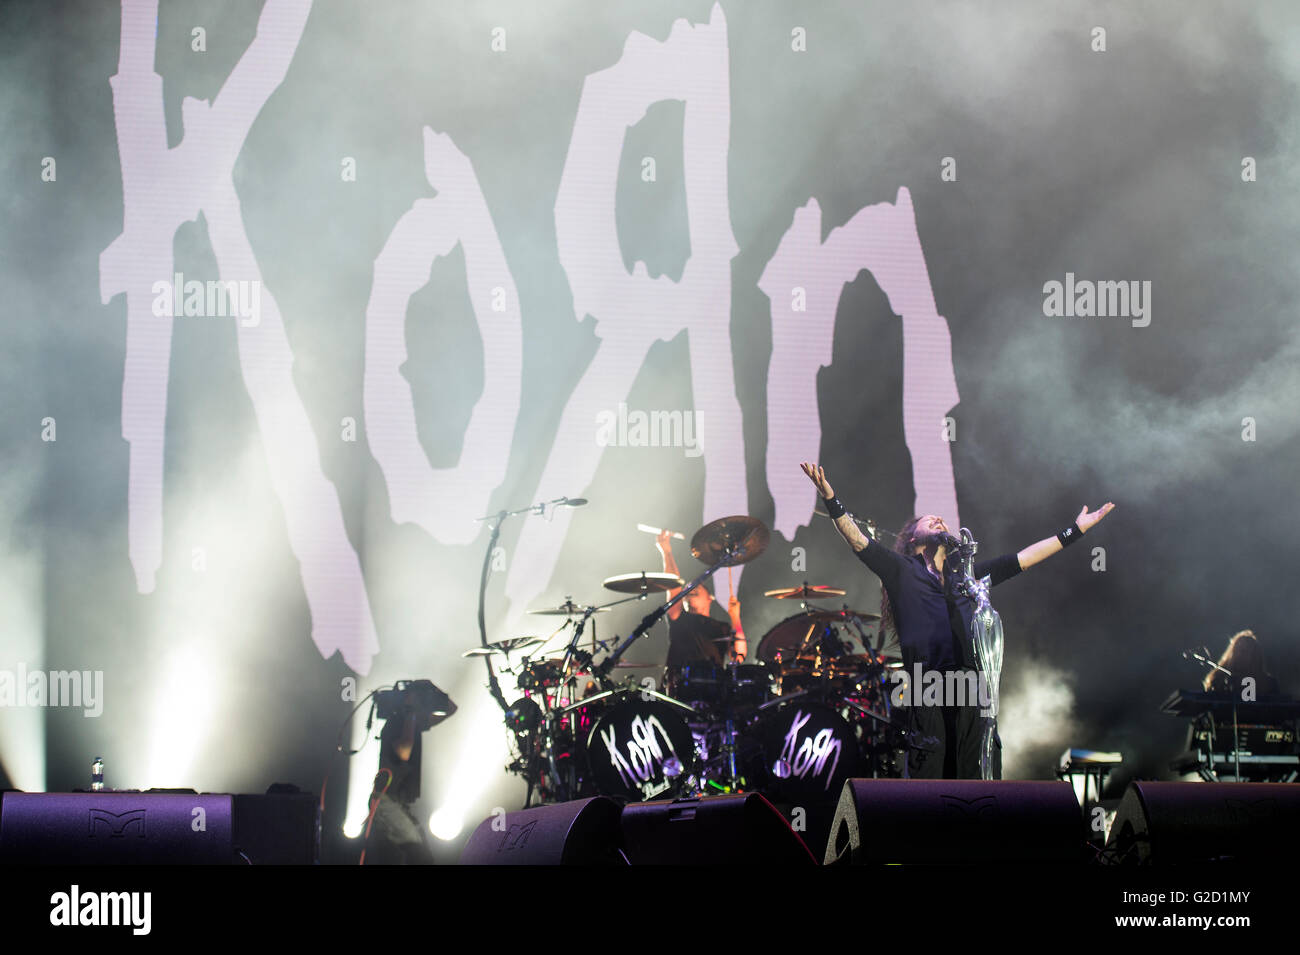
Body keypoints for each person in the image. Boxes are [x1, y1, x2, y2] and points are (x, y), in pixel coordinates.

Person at [800, 461, 1114, 779]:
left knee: (972, 772)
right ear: (911, 538)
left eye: (941, 519)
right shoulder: (900, 569)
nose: (939, 519)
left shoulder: (966, 576)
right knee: (931, 772)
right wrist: (831, 498)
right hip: (926, 684)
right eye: (929, 520)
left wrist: (1075, 531)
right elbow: (858, 541)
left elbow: (1024, 559)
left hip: (971, 683)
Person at [656, 528, 746, 672]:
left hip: (714, 689)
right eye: (687, 590)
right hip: (680, 687)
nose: (691, 588)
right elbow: (673, 586)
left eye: (697, 587)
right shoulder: (680, 619)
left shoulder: (721, 627)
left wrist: (735, 617)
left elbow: (740, 655)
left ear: (710, 598)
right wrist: (666, 551)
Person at [1203, 630, 1280, 698]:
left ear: (1254, 655)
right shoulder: (1219, 678)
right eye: (1238, 650)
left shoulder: (1267, 683)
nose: (1240, 654)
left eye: (1245, 651)